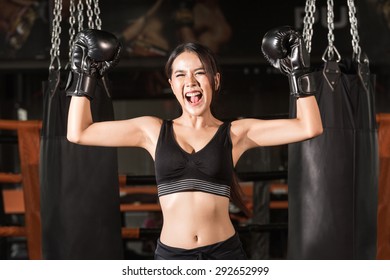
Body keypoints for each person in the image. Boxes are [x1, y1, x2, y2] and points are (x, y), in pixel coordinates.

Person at [66, 26, 323, 260]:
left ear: (216, 80)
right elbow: (79, 132)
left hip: (224, 255)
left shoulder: (234, 133)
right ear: (172, 84)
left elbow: (309, 126)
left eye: (200, 73)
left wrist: (298, 72)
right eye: (180, 75)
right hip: (172, 259)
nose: (190, 82)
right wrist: (84, 75)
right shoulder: (152, 130)